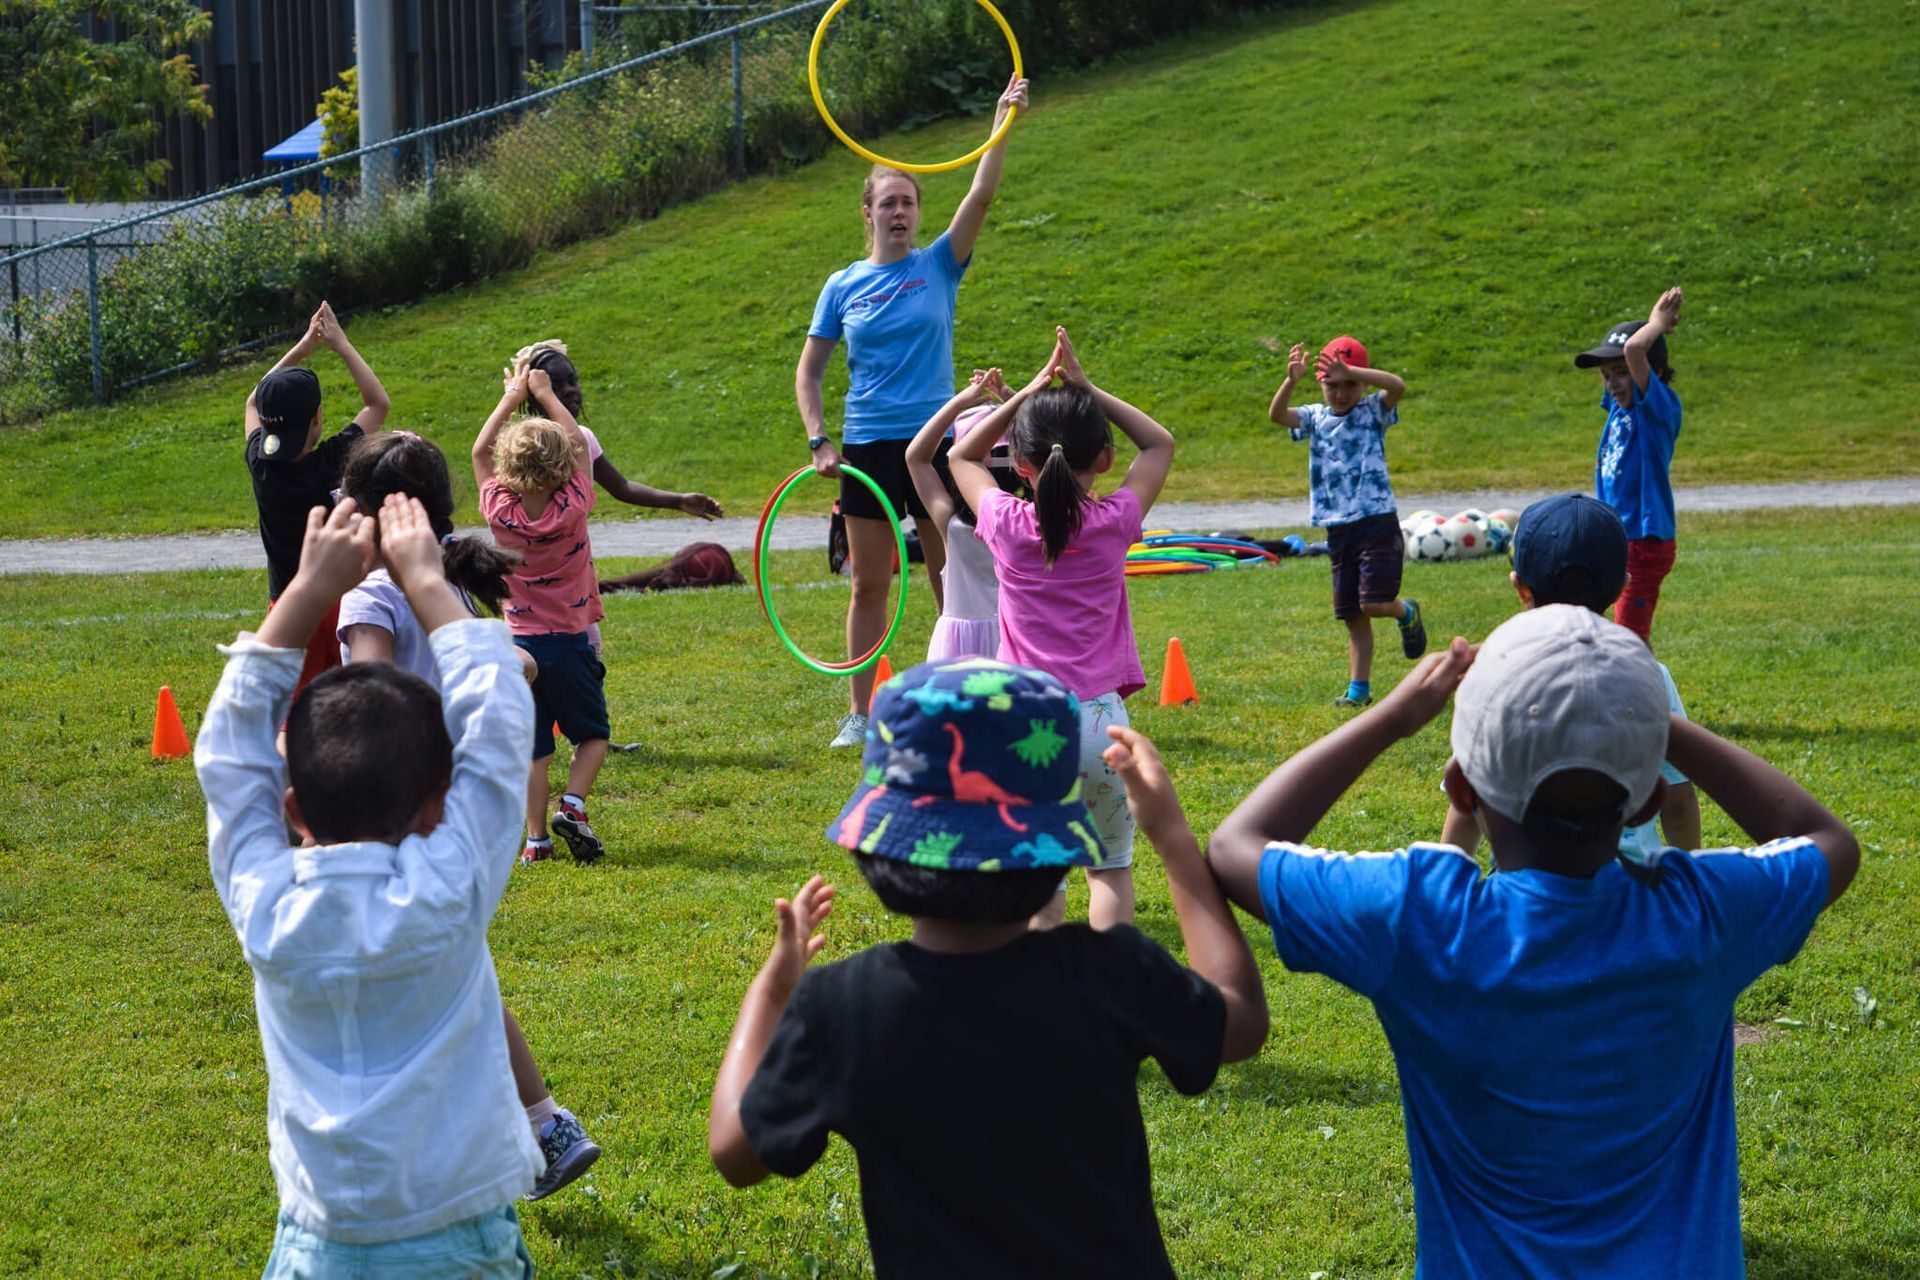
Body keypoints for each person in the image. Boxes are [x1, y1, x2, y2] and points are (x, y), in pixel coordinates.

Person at [1207, 607, 1859, 1278]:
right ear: (1643, 805)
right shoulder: (1699, 917)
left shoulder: (1421, 920)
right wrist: (1637, 720)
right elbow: (1829, 842)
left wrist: (1393, 720)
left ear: (1460, 788)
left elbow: (1234, 847)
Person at [707, 659, 1267, 1280]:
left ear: (881, 841)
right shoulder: (1109, 971)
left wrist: (772, 989)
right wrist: (1172, 836)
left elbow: (734, 1152)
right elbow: (1240, 1020)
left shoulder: (841, 1005)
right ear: (1051, 845)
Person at [195, 493, 545, 1277]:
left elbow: (225, 753)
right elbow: (496, 720)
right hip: (460, 1243)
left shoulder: (268, 908)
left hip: (315, 1246)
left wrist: (308, 592)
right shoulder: (449, 886)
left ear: (293, 810)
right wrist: (426, 580)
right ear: (436, 805)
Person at [333, 431, 600, 1200]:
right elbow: (504, 662)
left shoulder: (370, 597)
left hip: (396, 813)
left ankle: (498, 1135)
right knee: (457, 963)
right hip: (452, 807)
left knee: (419, 975)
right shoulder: (440, 583)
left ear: (360, 513)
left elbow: (371, 700)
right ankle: (546, 1125)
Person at [796, 73, 1030, 748]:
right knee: (869, 583)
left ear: (918, 213)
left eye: (907, 203)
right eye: (887, 203)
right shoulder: (843, 286)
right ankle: (860, 714)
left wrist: (1001, 120)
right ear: (866, 214)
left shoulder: (940, 265)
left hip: (936, 444)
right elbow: (809, 372)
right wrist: (819, 440)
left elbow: (982, 193)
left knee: (951, 576)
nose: (898, 212)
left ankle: (965, 697)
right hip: (868, 446)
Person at [948, 328, 1174, 930]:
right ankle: (1107, 983)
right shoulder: (1114, 520)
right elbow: (1159, 444)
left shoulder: (1004, 521)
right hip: (1101, 726)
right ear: (1103, 458)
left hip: (1023, 724)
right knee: (1109, 869)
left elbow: (960, 457)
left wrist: (1021, 394)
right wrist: (1086, 387)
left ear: (1019, 464)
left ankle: (1044, 983)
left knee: (1041, 875)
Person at [1438, 492, 1700, 861]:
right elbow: (1678, 801)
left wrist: (1443, 884)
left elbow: (1468, 804)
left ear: (1520, 587)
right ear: (1622, 586)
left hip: (1524, 891)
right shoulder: (1649, 675)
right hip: (1633, 892)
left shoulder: (1496, 674)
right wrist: (1686, 886)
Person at [473, 361, 611, 865]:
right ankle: (572, 806)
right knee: (593, 735)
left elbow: (478, 450)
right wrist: (546, 394)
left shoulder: (499, 510)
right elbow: (578, 444)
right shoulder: (576, 500)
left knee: (535, 751)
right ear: (566, 466)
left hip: (520, 647)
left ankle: (536, 841)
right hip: (570, 642)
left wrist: (511, 396)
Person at [1268, 334, 1426, 707]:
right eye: (1332, 385)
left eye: (1349, 384)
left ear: (1363, 383)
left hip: (1376, 522)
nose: (1340, 393)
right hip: (1338, 528)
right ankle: (1359, 690)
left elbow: (1398, 386)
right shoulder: (1315, 417)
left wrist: (1354, 369)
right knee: (1352, 614)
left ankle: (1406, 611)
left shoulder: (1373, 410)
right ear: (1321, 385)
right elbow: (1276, 415)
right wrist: (1291, 380)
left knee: (1373, 603)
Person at [244, 300, 389, 695]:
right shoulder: (332, 461)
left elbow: (254, 401)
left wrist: (302, 347)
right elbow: (378, 403)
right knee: (347, 703)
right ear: (317, 418)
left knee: (295, 714)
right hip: (342, 603)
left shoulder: (262, 465)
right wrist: (338, 344)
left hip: (290, 608)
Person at [1576, 286, 1685, 645]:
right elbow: (1621, 362)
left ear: (1648, 372)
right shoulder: (1618, 411)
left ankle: (1647, 697)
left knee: (1630, 638)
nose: (1612, 384)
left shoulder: (1656, 411)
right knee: (1596, 624)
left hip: (1645, 541)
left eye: (1621, 373)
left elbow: (1635, 349)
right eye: (1607, 376)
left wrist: (1657, 323)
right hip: (1619, 538)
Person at [904, 368, 1024, 662]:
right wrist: (1015, 401)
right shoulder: (1029, 515)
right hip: (1017, 640)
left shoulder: (951, 521)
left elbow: (916, 458)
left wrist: (959, 403)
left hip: (964, 648)